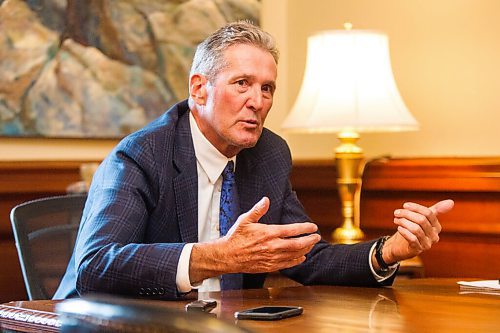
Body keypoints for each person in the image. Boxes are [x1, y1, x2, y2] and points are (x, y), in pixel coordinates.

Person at [54, 21, 454, 299]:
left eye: (267, 88)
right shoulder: (141, 154)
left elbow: (305, 256)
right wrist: (218, 257)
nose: (257, 102)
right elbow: (96, 265)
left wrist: (388, 251)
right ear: (199, 89)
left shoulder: (268, 154)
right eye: (241, 83)